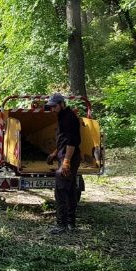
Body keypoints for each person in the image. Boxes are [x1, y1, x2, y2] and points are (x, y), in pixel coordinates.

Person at [44, 93, 82, 234]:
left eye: (54, 106)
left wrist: (66, 162)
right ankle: (71, 223)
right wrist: (55, 153)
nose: (52, 109)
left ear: (62, 104)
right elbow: (64, 140)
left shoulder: (69, 118)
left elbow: (72, 142)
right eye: (51, 107)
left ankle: (62, 225)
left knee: (61, 189)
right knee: (71, 189)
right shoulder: (63, 116)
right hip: (65, 154)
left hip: (69, 156)